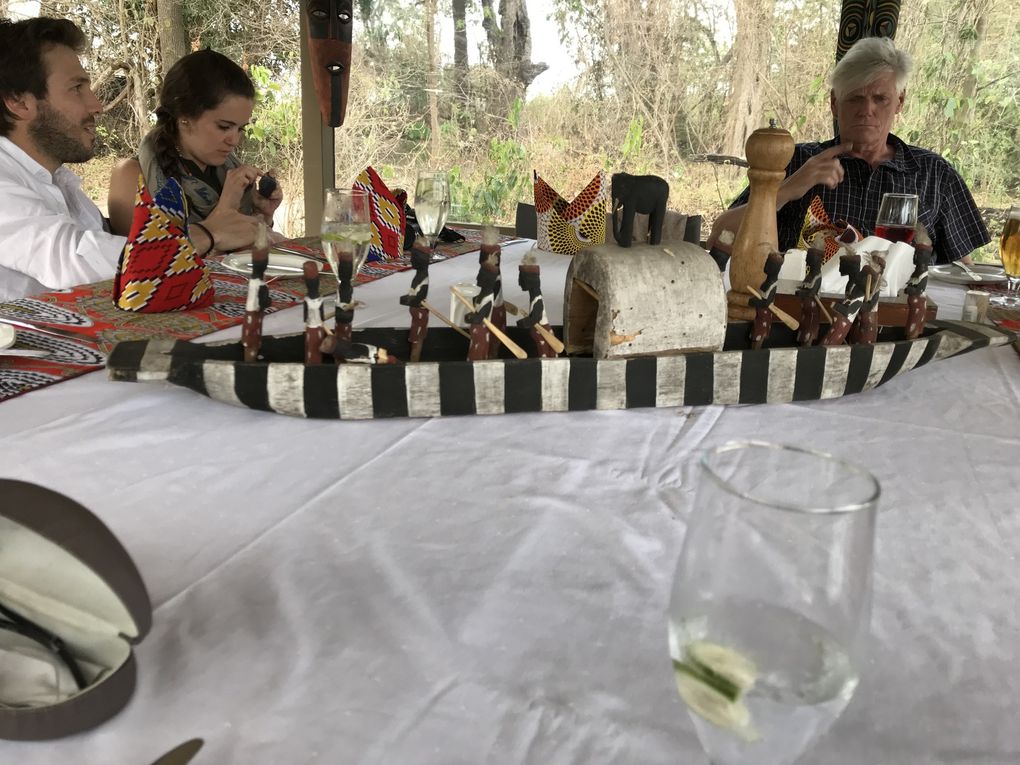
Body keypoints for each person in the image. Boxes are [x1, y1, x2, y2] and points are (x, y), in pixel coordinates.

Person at [0, 17, 258, 302]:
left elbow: (113, 249)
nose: (96, 105)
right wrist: (206, 234)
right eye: (76, 88)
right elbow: (73, 259)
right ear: (19, 102)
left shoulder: (58, 181)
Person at [709, 37, 990, 265]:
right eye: (855, 97)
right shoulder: (794, 160)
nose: (867, 110)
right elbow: (720, 237)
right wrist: (790, 188)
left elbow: (963, 273)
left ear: (900, 101)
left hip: (898, 322)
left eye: (880, 99)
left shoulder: (934, 173)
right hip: (800, 318)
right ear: (834, 103)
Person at [107, 49, 282, 240]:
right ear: (184, 118)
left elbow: (246, 259)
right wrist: (224, 211)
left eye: (240, 129)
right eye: (224, 127)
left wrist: (263, 216)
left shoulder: (228, 170)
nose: (234, 140)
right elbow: (141, 263)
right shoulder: (130, 176)